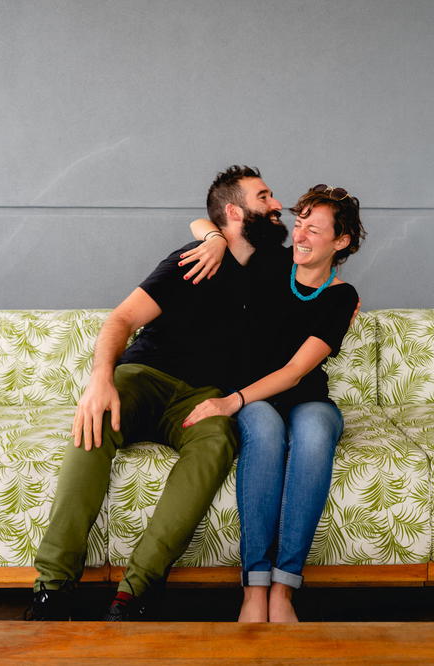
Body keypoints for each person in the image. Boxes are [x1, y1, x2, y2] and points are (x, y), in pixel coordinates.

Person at [26, 165, 285, 621]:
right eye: (264, 197)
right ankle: (52, 585)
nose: (277, 204)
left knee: (219, 441)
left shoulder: (271, 268)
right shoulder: (192, 259)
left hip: (202, 396)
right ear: (234, 211)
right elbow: (121, 320)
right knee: (94, 424)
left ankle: (136, 591)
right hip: (145, 376)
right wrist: (100, 381)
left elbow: (319, 265)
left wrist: (337, 294)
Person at [180, 184, 365, 623]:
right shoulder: (266, 261)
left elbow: (297, 372)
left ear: (341, 242)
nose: (300, 235)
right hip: (255, 397)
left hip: (304, 397)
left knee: (316, 434)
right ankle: (255, 587)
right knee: (264, 432)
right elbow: (208, 221)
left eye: (314, 230)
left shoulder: (341, 297)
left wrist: (231, 402)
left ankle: (284, 587)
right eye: (299, 224)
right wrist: (214, 239)